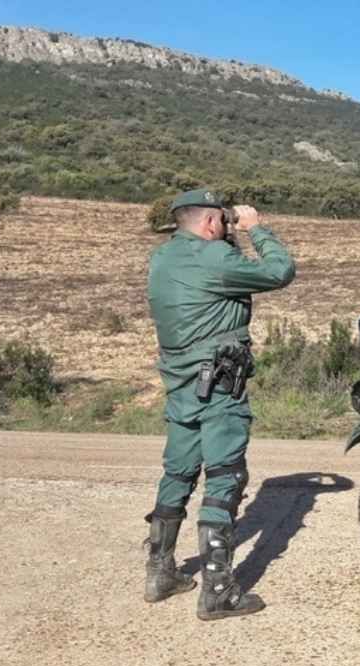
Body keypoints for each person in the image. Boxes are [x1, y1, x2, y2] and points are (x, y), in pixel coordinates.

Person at [143, 188, 295, 621]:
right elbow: (280, 271)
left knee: (178, 471)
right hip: (219, 385)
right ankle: (218, 590)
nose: (229, 228)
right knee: (225, 475)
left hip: (180, 383)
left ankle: (160, 572)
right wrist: (256, 229)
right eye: (224, 222)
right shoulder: (213, 258)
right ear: (211, 223)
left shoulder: (162, 259)